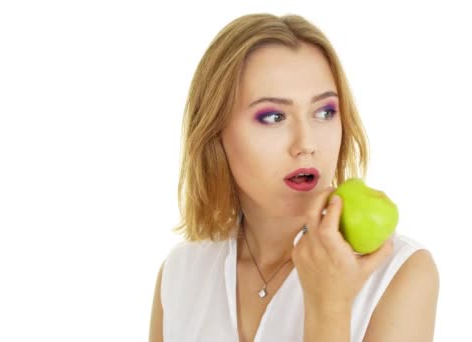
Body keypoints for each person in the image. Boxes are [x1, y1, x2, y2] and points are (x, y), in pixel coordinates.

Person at [149, 13, 439, 342]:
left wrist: (329, 307)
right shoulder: (181, 273)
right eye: (273, 117)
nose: (306, 144)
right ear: (215, 133)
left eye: (325, 112)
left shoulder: (398, 274)